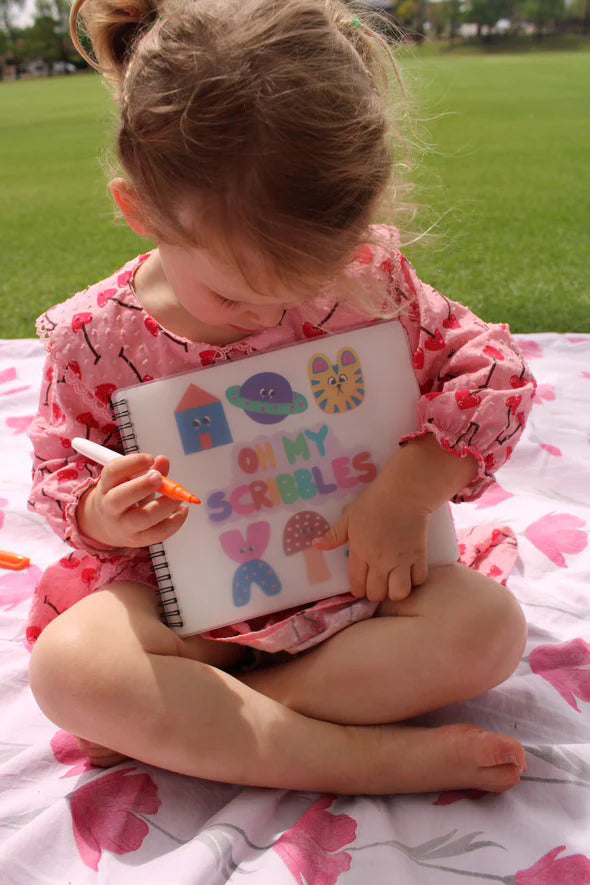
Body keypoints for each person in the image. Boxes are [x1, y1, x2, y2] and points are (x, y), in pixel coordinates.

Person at [27, 0, 535, 795]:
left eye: (303, 287)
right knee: (69, 666)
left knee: (489, 631)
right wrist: (102, 511)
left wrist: (410, 491)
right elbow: (60, 472)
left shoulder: (368, 282)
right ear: (142, 211)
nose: (270, 316)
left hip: (361, 597)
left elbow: (493, 371)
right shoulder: (94, 336)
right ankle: (358, 758)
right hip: (184, 616)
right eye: (234, 296)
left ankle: (229, 725)